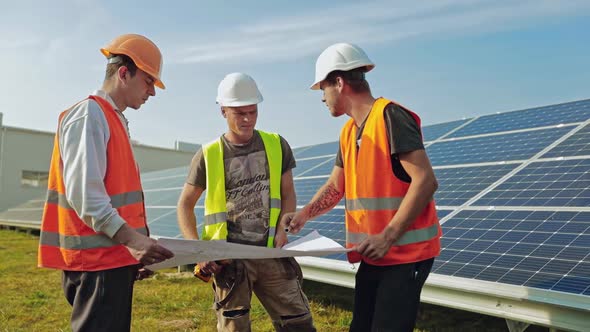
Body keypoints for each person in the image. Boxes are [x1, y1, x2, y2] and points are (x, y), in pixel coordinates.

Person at [282, 43, 442, 332]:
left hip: (405, 254)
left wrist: (387, 236)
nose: (322, 98)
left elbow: (426, 181)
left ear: (340, 83)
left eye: (323, 88)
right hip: (374, 253)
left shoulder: (391, 116)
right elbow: (336, 185)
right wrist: (304, 214)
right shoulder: (348, 131)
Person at [38, 34, 174, 332]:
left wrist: (133, 250)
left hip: (110, 260)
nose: (152, 92)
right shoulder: (90, 115)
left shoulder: (111, 119)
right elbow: (86, 195)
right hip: (96, 263)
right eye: (149, 81)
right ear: (124, 73)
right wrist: (134, 242)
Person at [177, 72, 316, 332]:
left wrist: (281, 229)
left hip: (270, 252)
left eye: (252, 112)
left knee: (298, 323)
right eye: (239, 113)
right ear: (223, 111)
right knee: (234, 327)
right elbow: (185, 205)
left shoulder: (277, 145)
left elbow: (288, 194)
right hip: (230, 260)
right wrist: (199, 250)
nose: (247, 119)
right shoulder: (208, 154)